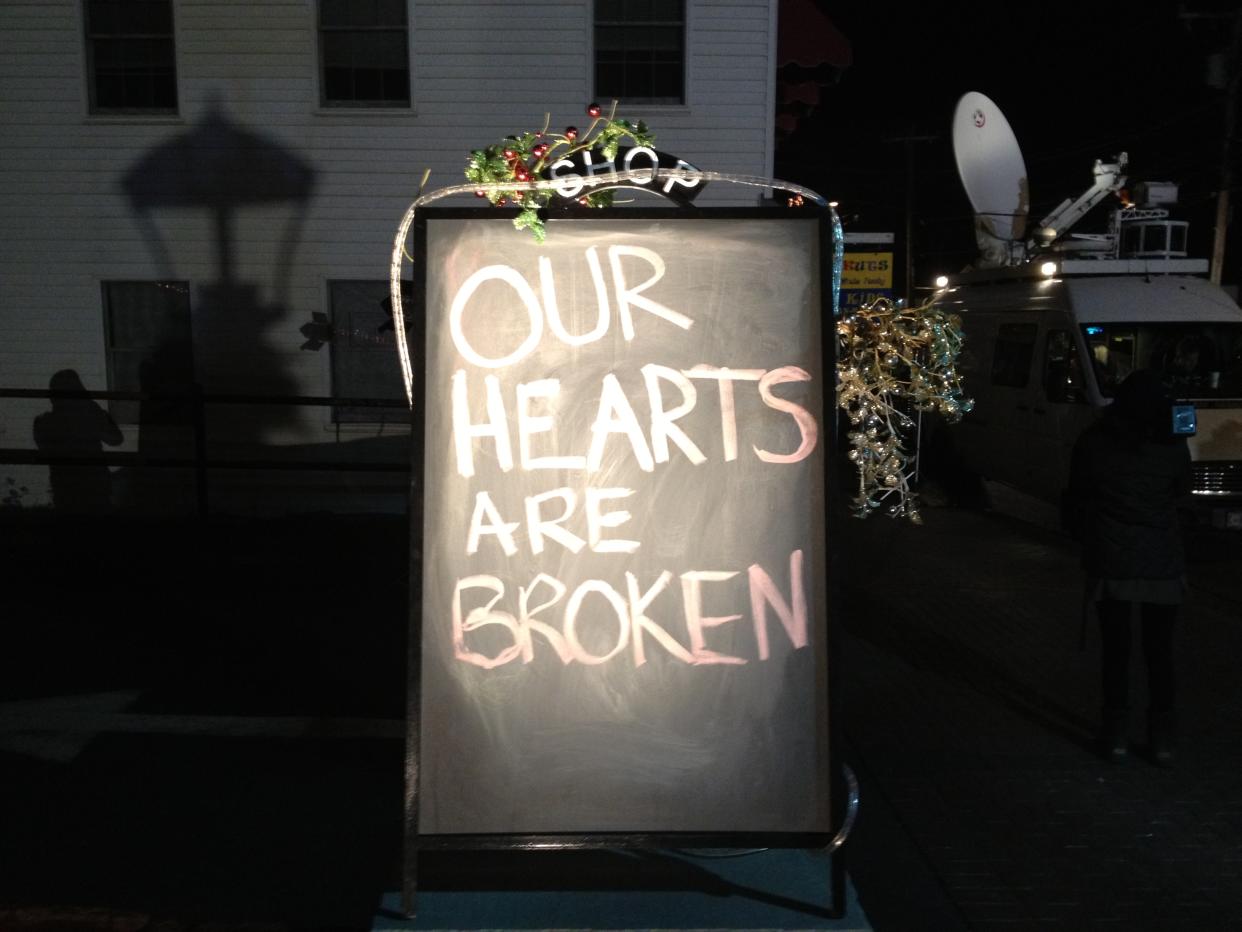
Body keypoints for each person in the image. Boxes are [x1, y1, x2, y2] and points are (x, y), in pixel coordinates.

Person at [1068, 369, 1191, 765]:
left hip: (1112, 560)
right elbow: (1182, 492)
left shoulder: (1095, 442)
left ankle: (1116, 733)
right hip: (1161, 562)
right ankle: (1162, 738)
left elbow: (1078, 494)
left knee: (1116, 651)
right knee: (1159, 652)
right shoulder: (1172, 446)